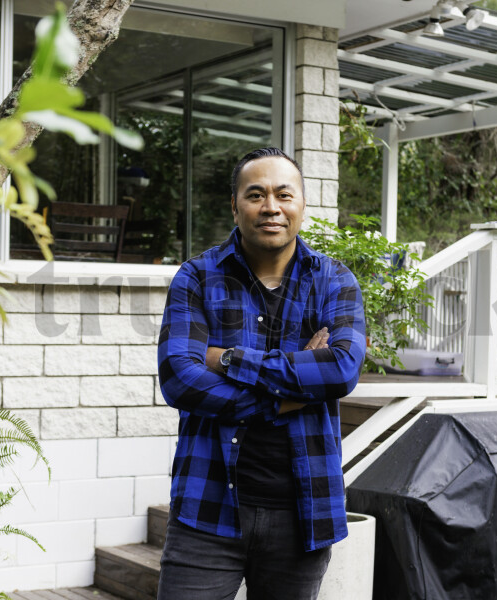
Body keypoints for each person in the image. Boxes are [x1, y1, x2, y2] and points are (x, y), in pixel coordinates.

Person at [156, 147, 367, 600]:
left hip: (303, 515)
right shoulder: (196, 278)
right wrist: (286, 395)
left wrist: (228, 358)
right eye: (256, 194)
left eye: (283, 194)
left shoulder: (334, 281)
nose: (270, 206)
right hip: (206, 510)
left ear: (301, 205)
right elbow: (178, 377)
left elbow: (341, 369)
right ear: (235, 206)